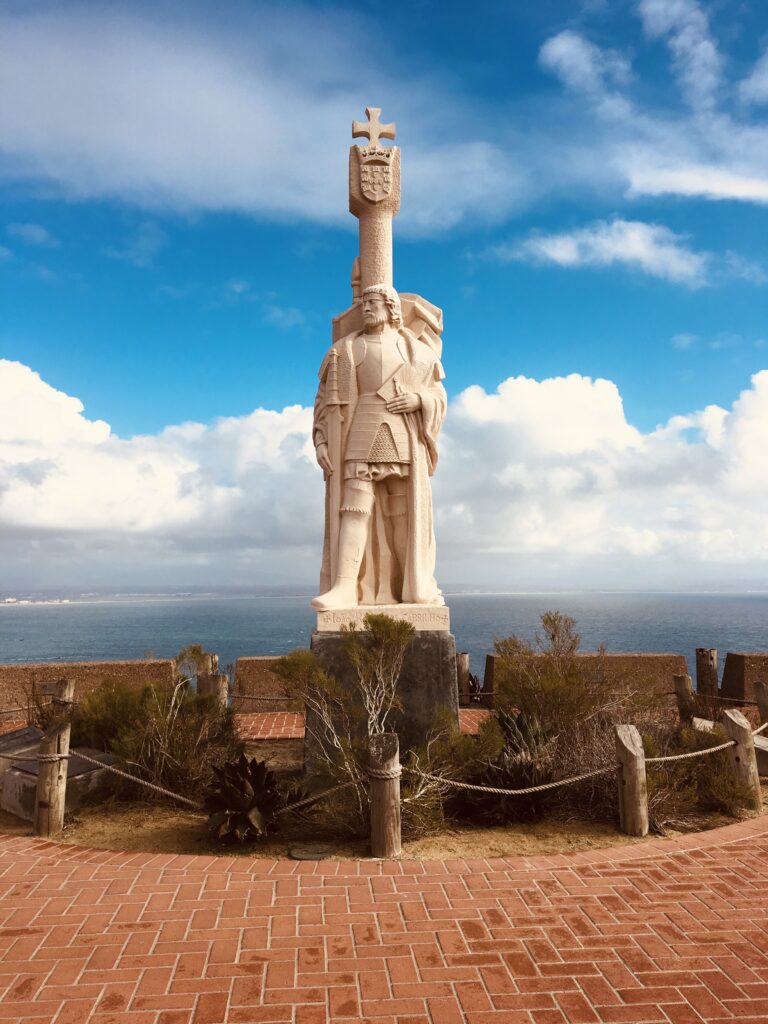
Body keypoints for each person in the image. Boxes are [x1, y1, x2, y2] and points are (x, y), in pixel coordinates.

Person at [311, 284, 446, 609]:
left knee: (402, 514)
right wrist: (321, 440)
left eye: (374, 303)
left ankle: (409, 586)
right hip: (359, 431)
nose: (367, 309)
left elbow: (438, 395)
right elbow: (322, 403)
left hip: (402, 435)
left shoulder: (417, 353)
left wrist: (418, 399)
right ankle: (344, 588)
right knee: (353, 510)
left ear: (391, 308)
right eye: (365, 302)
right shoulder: (344, 351)